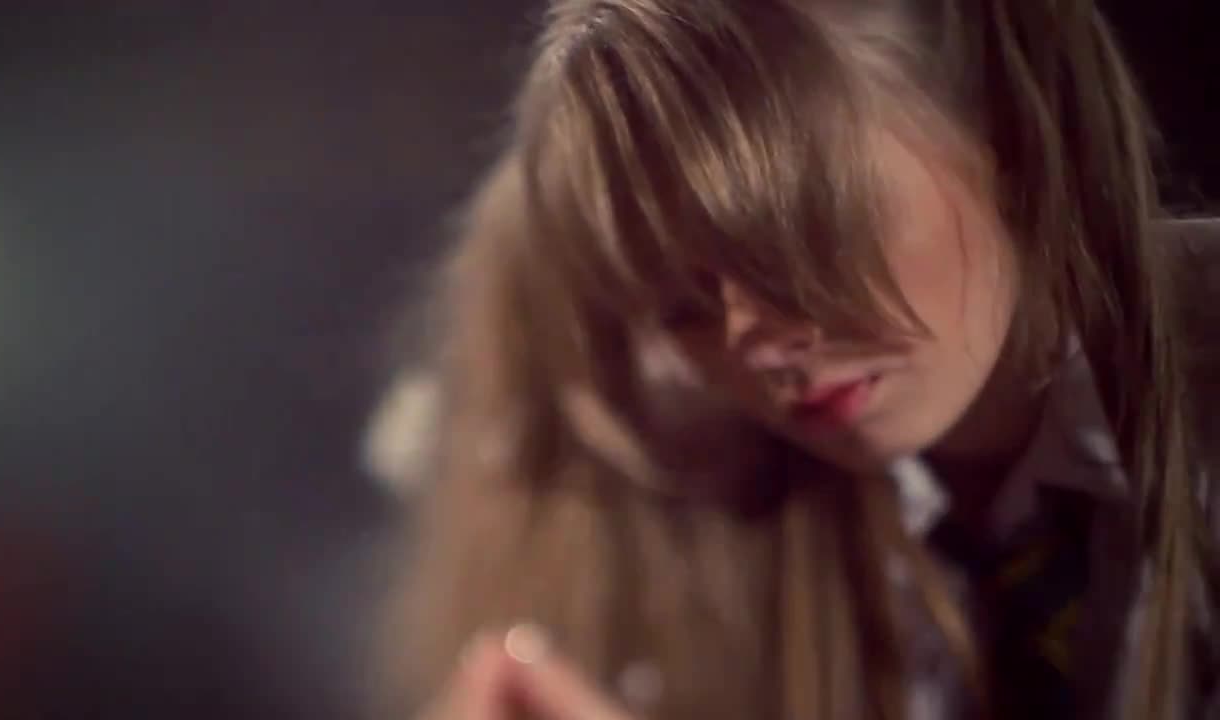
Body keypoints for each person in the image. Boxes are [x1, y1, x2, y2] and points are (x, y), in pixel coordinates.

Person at [375, 1, 1220, 718]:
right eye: (682, 306)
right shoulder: (812, 532)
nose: (748, 336)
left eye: (809, 240)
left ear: (1001, 130)